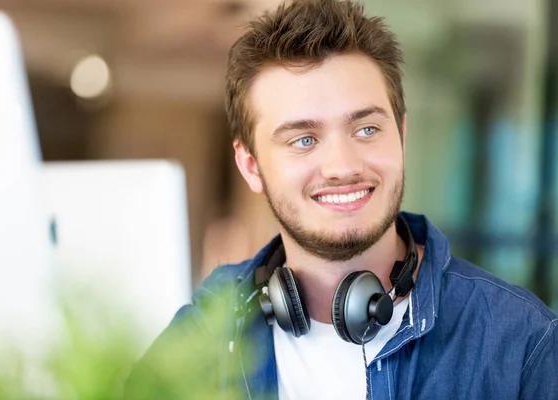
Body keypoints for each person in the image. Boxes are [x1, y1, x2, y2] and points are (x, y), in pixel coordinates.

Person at [124, 0, 558, 399]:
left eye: (366, 129)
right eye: (304, 139)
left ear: (401, 136)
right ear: (251, 166)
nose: (342, 165)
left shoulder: (520, 342)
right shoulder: (202, 337)